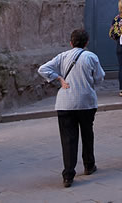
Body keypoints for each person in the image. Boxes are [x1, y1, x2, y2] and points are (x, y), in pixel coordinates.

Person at [38, 28, 105, 188]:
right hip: (86, 102)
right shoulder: (91, 57)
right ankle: (89, 165)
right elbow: (99, 77)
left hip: (65, 103)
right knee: (87, 133)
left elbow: (43, 69)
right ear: (86, 42)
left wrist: (58, 78)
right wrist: (89, 84)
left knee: (68, 138)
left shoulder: (62, 56)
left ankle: (68, 174)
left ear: (70, 42)